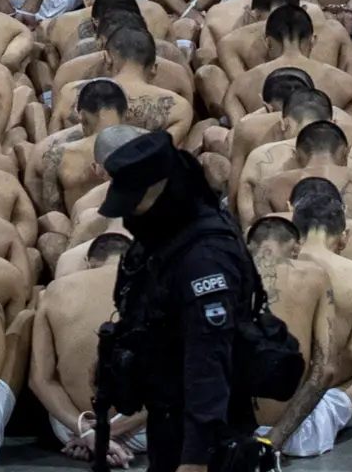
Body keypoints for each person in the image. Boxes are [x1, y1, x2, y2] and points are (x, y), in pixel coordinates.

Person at [92, 128, 284, 469]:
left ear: (161, 189)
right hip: (168, 414)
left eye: (135, 200)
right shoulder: (165, 235)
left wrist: (194, 459)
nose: (130, 213)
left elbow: (209, 358)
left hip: (207, 430)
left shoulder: (205, 255)